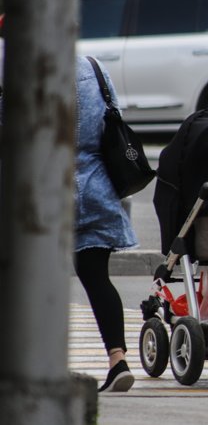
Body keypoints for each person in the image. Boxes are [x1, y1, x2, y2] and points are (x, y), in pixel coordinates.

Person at [74, 55, 139, 392]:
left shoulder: (13, 66)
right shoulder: (92, 67)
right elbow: (112, 118)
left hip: (36, 190)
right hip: (94, 187)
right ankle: (118, 360)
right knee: (96, 277)